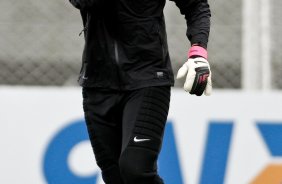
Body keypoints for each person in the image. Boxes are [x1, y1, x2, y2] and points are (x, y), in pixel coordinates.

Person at [69, 0, 212, 183]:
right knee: (115, 177)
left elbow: (196, 5)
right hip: (98, 83)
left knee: (135, 169)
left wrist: (198, 52)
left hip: (148, 78)